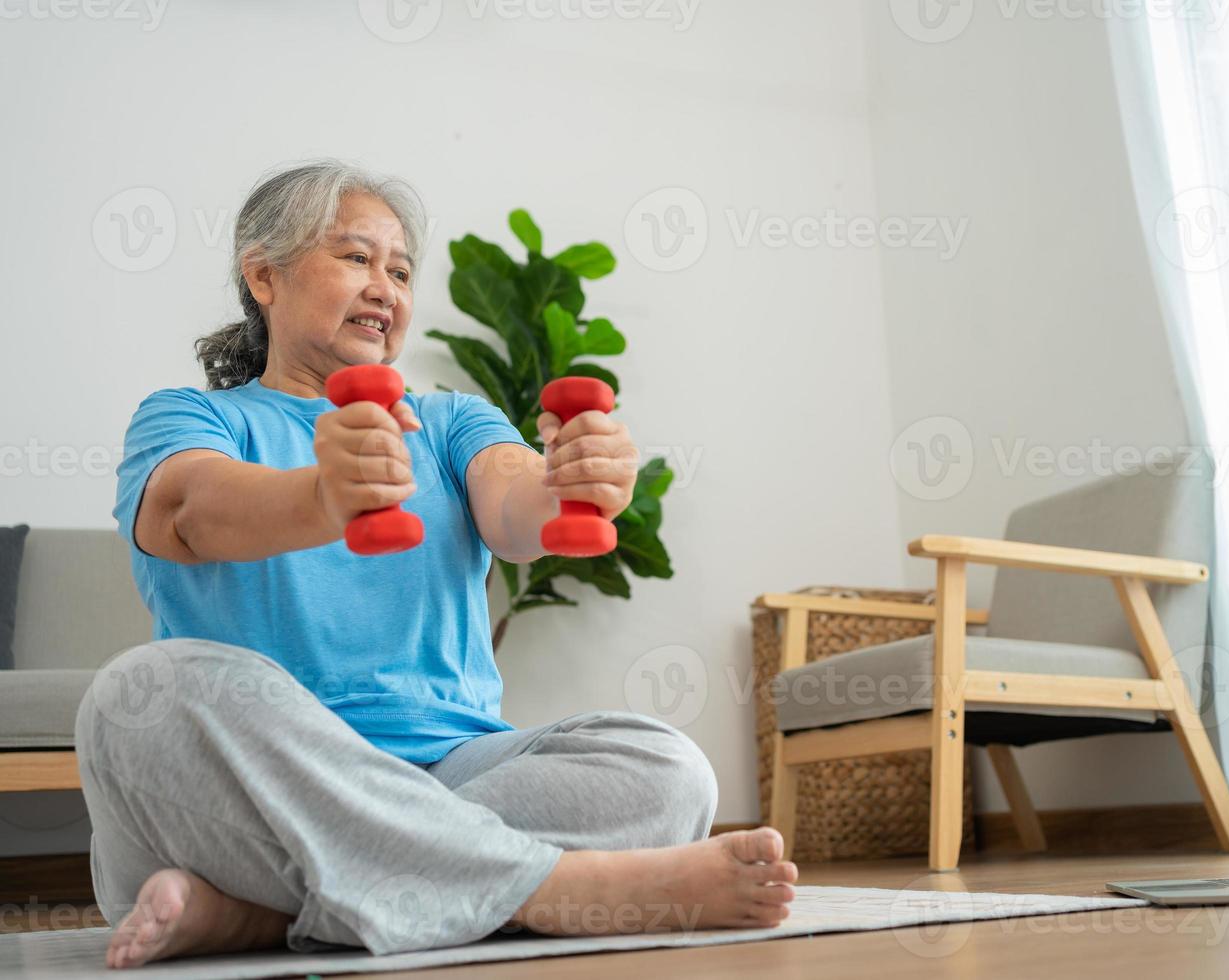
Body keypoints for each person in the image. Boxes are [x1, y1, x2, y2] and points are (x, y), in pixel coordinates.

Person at [76, 159, 797, 970]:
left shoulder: (449, 421)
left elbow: (521, 509)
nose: (385, 286)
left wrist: (578, 481)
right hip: (249, 793)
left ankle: (257, 916)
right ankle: (553, 893)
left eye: (402, 270)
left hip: (455, 771)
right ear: (264, 275)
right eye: (355, 257)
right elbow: (187, 512)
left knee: (670, 772)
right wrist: (325, 496)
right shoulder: (189, 416)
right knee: (134, 696)